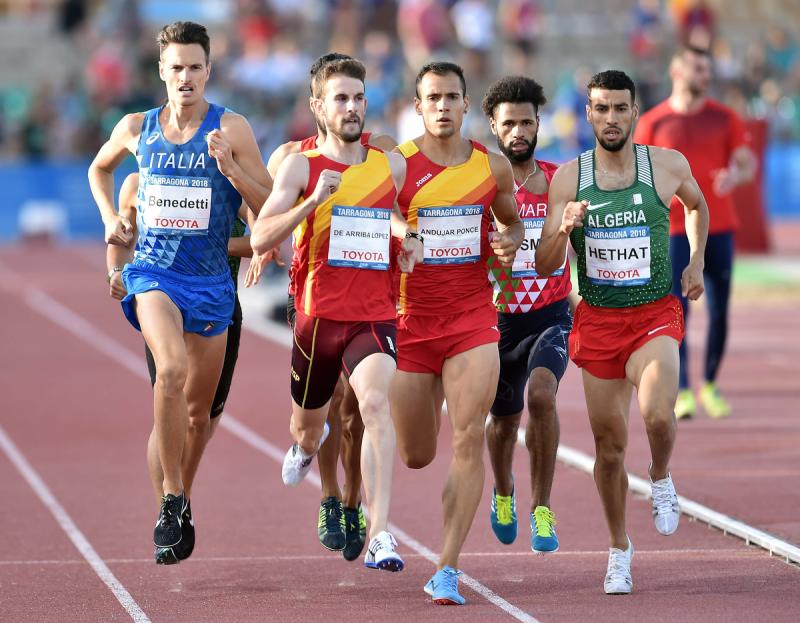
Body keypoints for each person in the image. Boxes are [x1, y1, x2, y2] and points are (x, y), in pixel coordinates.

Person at [88, 21, 271, 564]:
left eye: (195, 67)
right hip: (154, 277)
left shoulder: (231, 127)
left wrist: (231, 167)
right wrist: (109, 223)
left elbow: (265, 210)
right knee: (168, 373)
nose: (186, 77)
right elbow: (99, 170)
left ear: (208, 70)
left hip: (213, 286)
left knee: (197, 418)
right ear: (160, 72)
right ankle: (171, 501)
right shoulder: (135, 126)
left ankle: (181, 497)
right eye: (176, 67)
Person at [536, 69, 709, 595]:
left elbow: (697, 205)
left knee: (658, 413)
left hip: (655, 313)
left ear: (635, 112)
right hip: (599, 320)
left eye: (620, 108)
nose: (611, 118)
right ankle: (618, 549)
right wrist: (564, 228)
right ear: (588, 113)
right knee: (608, 449)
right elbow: (545, 266)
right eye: (601, 109)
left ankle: (659, 475)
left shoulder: (666, 165)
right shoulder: (568, 179)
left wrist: (696, 260)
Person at [251, 57, 423, 573]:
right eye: (341, 99)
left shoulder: (386, 164)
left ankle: (381, 533)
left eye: (359, 97)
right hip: (317, 317)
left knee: (374, 406)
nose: (352, 108)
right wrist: (310, 205)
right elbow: (260, 236)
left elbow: (391, 218)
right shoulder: (300, 167)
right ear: (318, 107)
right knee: (311, 427)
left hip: (373, 313)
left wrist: (407, 239)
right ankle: (306, 445)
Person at [390, 61, 523, 605]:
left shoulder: (491, 167)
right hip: (410, 320)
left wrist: (510, 239)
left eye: (451, 97)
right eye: (432, 98)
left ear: (467, 105)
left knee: (469, 437)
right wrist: (402, 231)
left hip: (472, 317)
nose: (442, 106)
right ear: (418, 106)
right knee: (416, 454)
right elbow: (373, 213)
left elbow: (511, 220)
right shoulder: (396, 166)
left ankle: (447, 566)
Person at [106, 174, 263, 561]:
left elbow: (260, 235)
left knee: (202, 421)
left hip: (217, 302)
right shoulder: (139, 180)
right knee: (170, 396)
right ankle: (169, 509)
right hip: (162, 293)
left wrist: (212, 243)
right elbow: (120, 238)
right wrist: (114, 272)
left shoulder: (227, 179)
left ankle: (183, 497)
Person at [634, 45, 756, 420]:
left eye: (708, 69)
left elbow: (747, 164)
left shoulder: (725, 118)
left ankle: (711, 385)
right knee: (675, 311)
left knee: (719, 311)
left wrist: (734, 176)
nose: (707, 75)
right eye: (699, 69)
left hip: (718, 228)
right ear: (677, 71)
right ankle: (683, 389)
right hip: (671, 231)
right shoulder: (654, 122)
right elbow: (636, 174)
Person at [481, 76, 573, 553]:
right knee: (503, 421)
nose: (519, 131)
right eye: (509, 123)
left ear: (540, 124)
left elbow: (583, 244)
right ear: (494, 128)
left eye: (527, 122)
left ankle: (542, 507)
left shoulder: (561, 180)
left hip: (552, 315)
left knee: (542, 395)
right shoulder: (481, 185)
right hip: (497, 322)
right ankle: (503, 492)